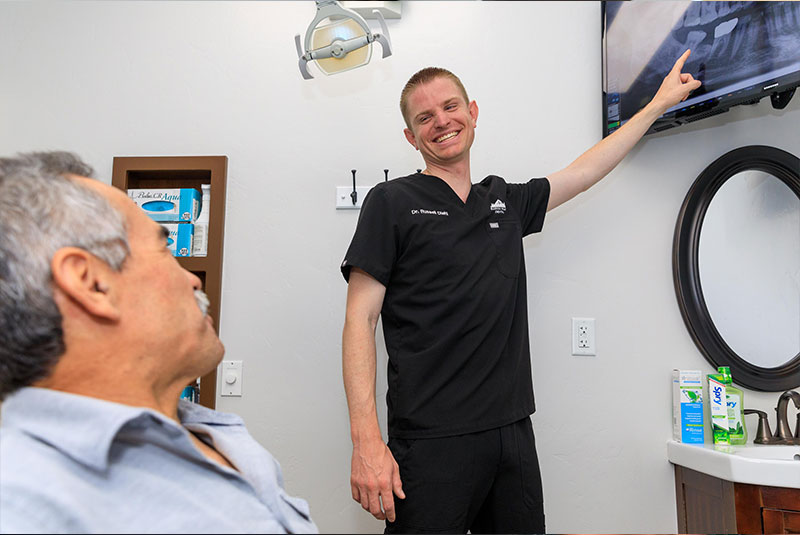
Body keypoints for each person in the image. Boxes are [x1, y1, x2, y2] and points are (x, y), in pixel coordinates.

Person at [340, 51, 701, 533]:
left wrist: (655, 106)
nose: (441, 122)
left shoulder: (503, 200)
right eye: (424, 117)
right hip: (430, 442)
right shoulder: (390, 202)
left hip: (512, 435)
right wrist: (366, 442)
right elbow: (359, 320)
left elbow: (584, 170)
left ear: (473, 113)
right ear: (411, 136)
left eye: (450, 107)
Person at [0, 152, 318, 534]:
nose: (194, 281)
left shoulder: (212, 435)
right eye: (163, 249)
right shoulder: (25, 502)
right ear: (92, 283)